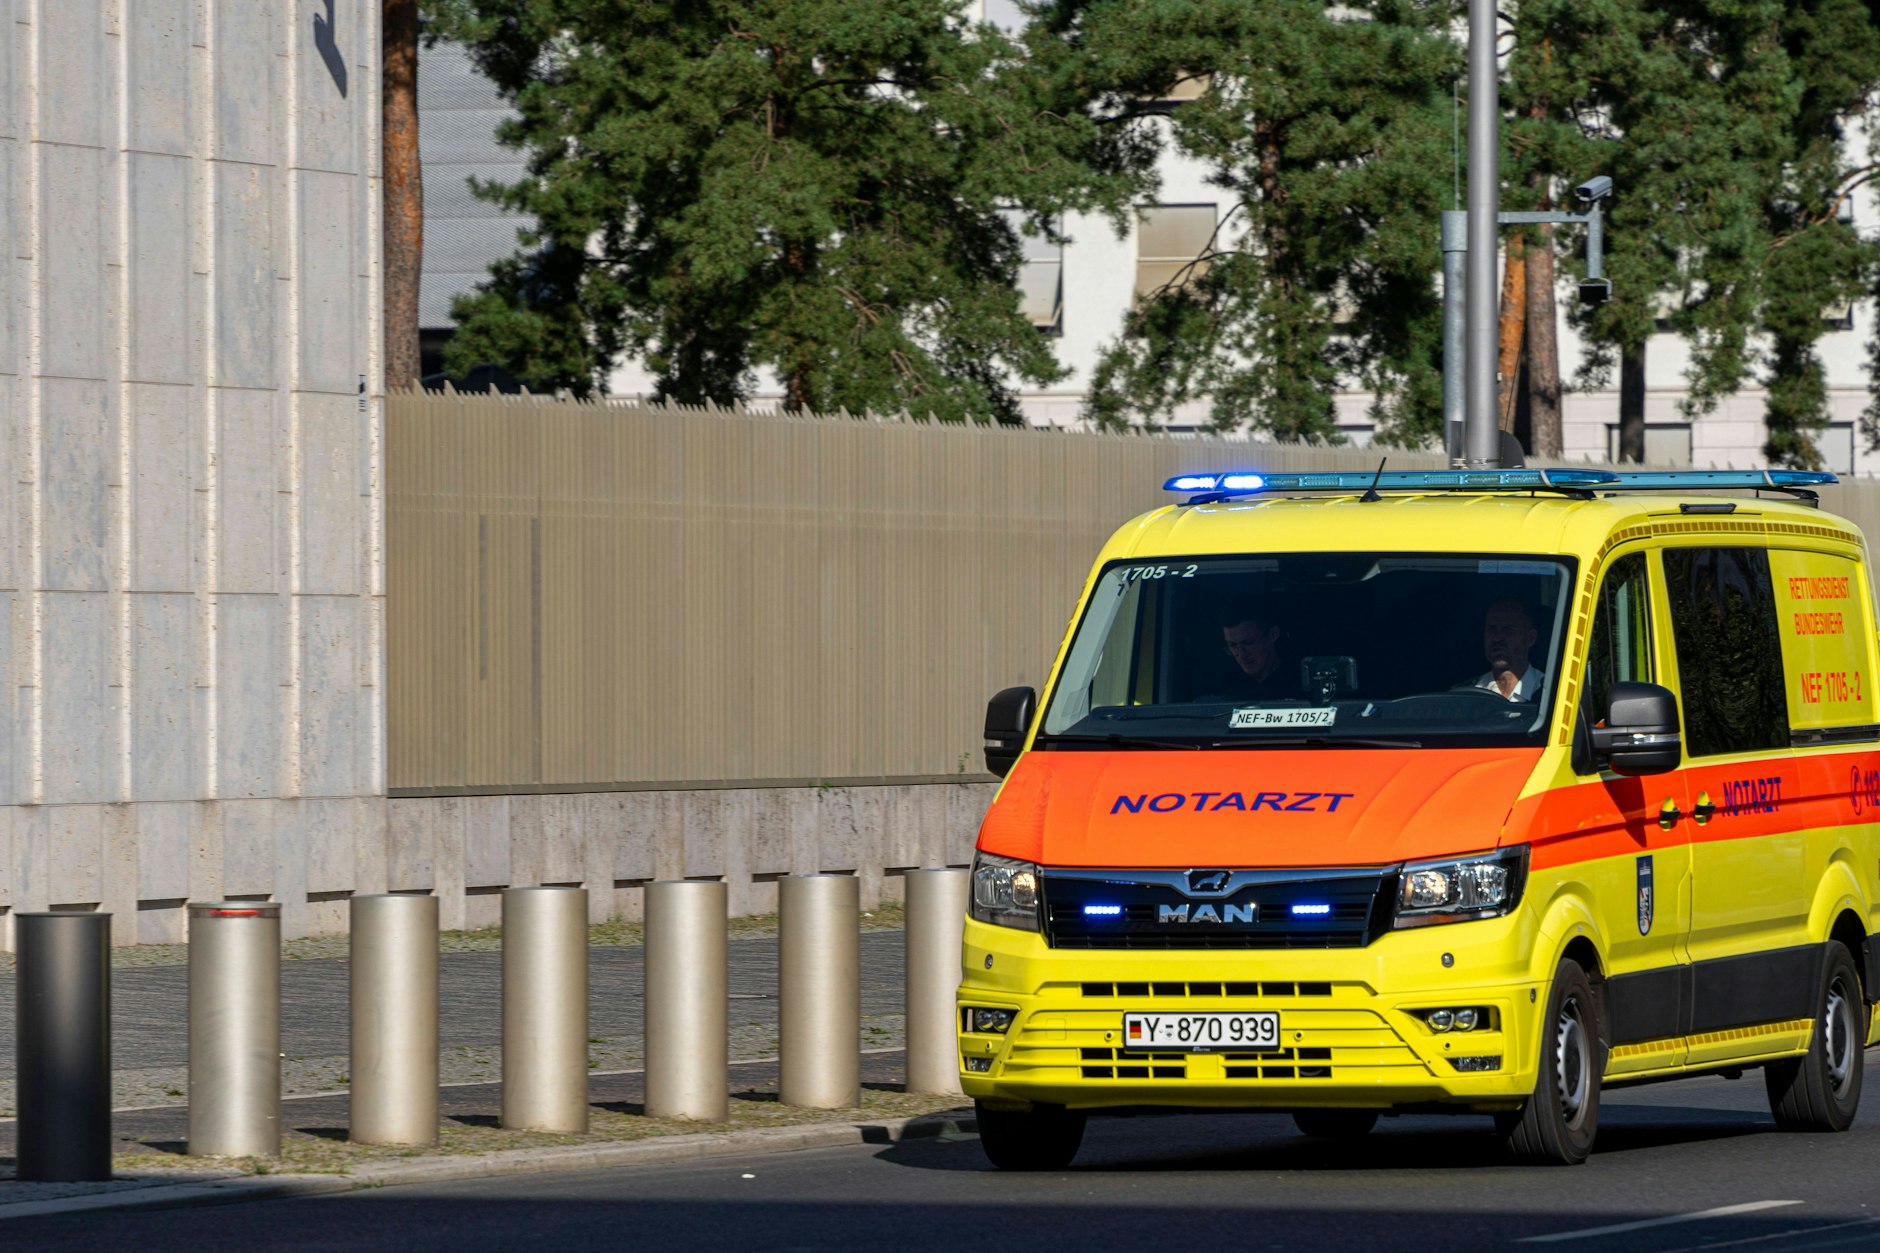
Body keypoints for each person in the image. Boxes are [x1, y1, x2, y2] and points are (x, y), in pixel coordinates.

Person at [1217, 606, 1296, 701]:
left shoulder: (1301, 684)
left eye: (1249, 642)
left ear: (1273, 634)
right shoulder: (1225, 689)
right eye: (1232, 645)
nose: (1241, 655)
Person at [1473, 599, 1546, 701]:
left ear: (1530, 638)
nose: (1497, 638)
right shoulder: (1469, 695)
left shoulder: (1553, 693)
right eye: (1492, 629)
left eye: (1508, 629)